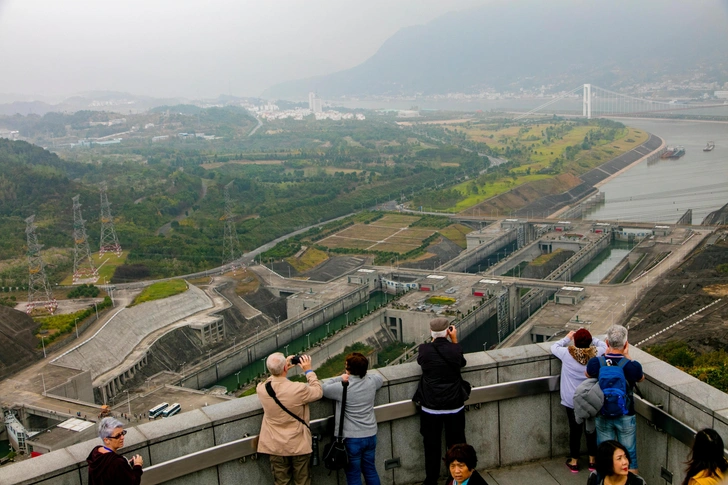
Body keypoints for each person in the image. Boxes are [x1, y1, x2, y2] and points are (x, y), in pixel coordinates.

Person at [414, 318, 467, 485]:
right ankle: (456, 479)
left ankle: (431, 480)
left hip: (431, 407)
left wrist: (434, 341)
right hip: (454, 406)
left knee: (431, 446)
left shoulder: (424, 350)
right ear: (448, 331)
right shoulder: (454, 349)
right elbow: (461, 362)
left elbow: (422, 361)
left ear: (431, 333)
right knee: (456, 446)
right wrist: (454, 340)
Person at [257, 353, 323, 485]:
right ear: (285, 369)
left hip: (275, 445)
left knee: (282, 483)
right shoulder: (297, 388)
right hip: (298, 444)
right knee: (302, 481)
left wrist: (281, 367)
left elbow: (270, 380)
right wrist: (308, 370)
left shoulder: (261, 389)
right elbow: (318, 391)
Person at [585, 325, 644, 473]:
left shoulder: (596, 363)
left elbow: (587, 375)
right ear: (625, 344)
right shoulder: (632, 366)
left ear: (606, 343)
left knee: (605, 456)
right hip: (626, 414)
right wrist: (628, 357)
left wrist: (605, 357)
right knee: (629, 457)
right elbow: (641, 378)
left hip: (603, 412)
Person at [322, 352, 384, 485]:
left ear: (349, 369)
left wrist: (341, 378)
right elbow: (379, 378)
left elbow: (323, 388)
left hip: (352, 439)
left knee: (353, 474)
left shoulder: (343, 387)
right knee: (370, 470)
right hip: (370, 434)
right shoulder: (371, 382)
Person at [551, 328, 607, 472]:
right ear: (589, 342)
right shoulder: (597, 353)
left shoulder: (566, 353)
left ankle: (574, 461)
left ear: (575, 341)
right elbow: (605, 346)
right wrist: (591, 339)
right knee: (591, 430)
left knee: (574, 430)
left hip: (572, 400)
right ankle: (592, 460)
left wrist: (568, 337)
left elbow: (554, 347)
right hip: (591, 399)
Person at [87, 417, 143, 485]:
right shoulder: (117, 463)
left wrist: (125, 466)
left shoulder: (95, 454)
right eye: (117, 436)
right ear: (106, 440)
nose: (122, 437)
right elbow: (133, 483)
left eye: (122, 433)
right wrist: (138, 466)